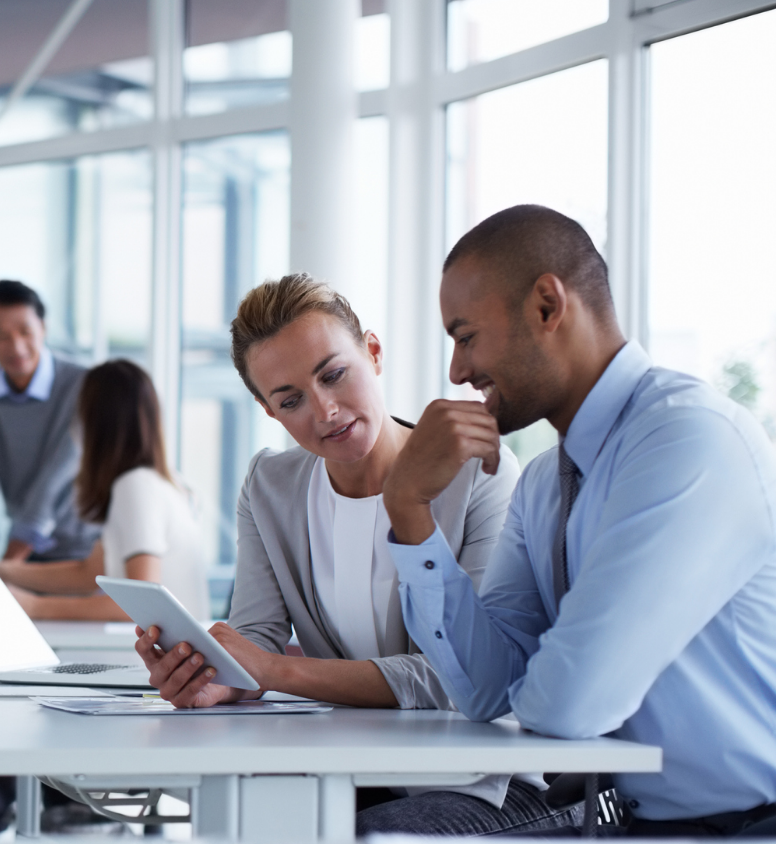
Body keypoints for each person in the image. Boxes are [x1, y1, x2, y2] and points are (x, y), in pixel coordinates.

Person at [133, 274, 578, 836]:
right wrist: (214, 675)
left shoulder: (478, 476)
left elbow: (461, 678)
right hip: (353, 771)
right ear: (269, 412)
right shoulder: (271, 485)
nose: (324, 411)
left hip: (484, 781)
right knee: (235, 827)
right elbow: (255, 642)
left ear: (372, 353)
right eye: (290, 399)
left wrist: (276, 671)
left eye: (334, 375)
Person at [380, 204, 776, 836]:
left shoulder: (686, 442)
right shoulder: (543, 484)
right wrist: (407, 509)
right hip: (639, 826)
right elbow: (487, 690)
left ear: (546, 306)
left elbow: (567, 705)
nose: (456, 371)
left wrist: (536, 683)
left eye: (465, 335)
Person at [0, 359, 209, 621]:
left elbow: (141, 604)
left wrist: (33, 606)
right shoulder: (165, 483)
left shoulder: (136, 487)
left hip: (158, 657)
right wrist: (0, 571)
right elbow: (88, 573)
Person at [0, 280, 99, 562]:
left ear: (43, 328)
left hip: (88, 550)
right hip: (28, 553)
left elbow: (59, 475)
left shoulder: (85, 386)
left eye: (26, 331)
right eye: (1, 335)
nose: (17, 347)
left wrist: (9, 562)